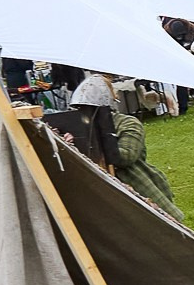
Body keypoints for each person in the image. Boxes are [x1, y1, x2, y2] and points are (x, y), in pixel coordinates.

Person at [72, 73, 182, 220]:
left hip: (135, 184)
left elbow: (125, 156)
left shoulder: (128, 123)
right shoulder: (78, 128)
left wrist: (100, 140)